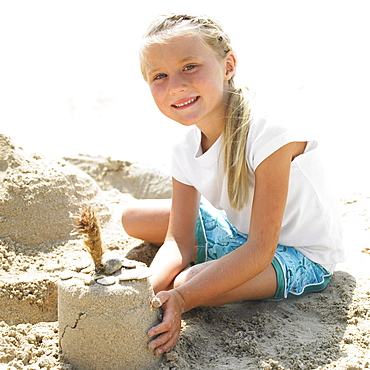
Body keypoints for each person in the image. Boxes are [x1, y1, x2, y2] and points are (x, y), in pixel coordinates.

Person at [121, 13, 346, 355]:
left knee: (186, 282)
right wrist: (141, 291)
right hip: (240, 235)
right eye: (160, 76)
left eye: (190, 66)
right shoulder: (184, 149)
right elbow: (178, 241)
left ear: (228, 65)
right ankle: (205, 267)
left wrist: (179, 298)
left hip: (297, 253)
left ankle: (201, 276)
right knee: (132, 217)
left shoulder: (271, 133)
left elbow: (259, 250)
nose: (177, 85)